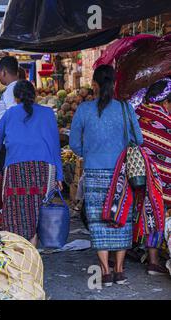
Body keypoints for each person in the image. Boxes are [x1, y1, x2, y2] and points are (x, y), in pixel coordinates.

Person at [70, 65, 144, 287]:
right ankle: (120, 270)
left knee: (98, 220)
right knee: (121, 218)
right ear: (113, 84)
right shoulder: (125, 108)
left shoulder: (83, 110)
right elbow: (138, 139)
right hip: (120, 174)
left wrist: (91, 154)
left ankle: (105, 271)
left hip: (93, 173)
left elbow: (74, 143)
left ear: (94, 84)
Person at [0, 80, 63, 247]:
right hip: (44, 169)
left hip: (16, 169)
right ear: (34, 96)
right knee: (38, 212)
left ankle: (19, 255)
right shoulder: (48, 113)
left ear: (16, 97)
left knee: (15, 213)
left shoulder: (10, 113)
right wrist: (59, 176)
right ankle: (33, 254)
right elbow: (56, 146)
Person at [134, 78, 171, 276]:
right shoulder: (164, 119)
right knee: (156, 214)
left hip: (136, 175)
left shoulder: (139, 112)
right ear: (165, 102)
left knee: (142, 212)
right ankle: (154, 260)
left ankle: (131, 251)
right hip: (159, 179)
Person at [0, 56, 19, 129]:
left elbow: (13, 116)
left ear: (4, 72)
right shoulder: (15, 87)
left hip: (3, 138)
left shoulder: (11, 90)